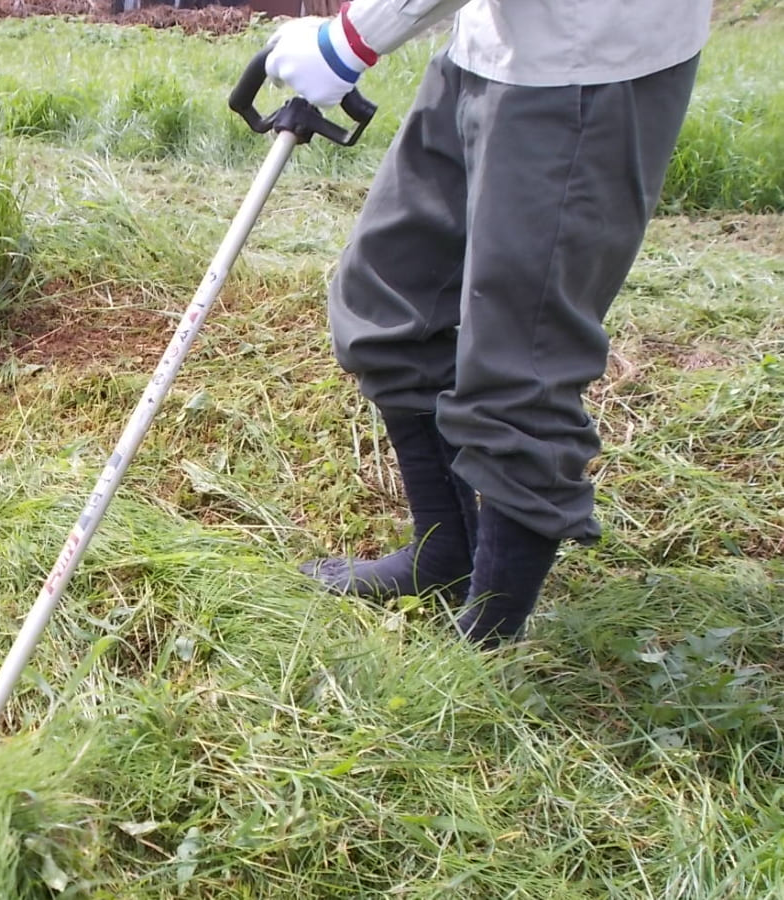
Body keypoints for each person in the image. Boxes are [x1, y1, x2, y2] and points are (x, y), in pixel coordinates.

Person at [266, 0, 713, 648]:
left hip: (587, 56)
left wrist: (352, 41)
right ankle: (444, 552)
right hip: (485, 44)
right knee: (388, 296)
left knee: (522, 357)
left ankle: (488, 640)